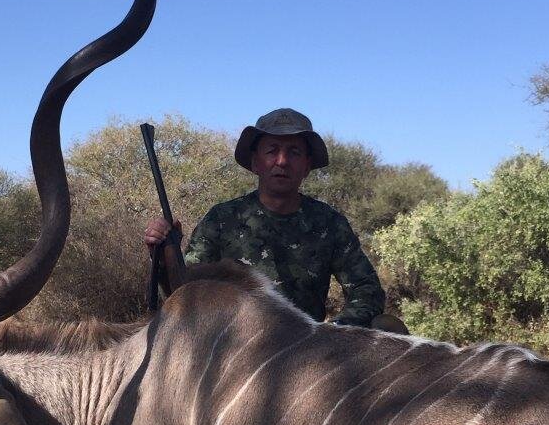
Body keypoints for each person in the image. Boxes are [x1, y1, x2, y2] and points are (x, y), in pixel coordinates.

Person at [145, 108, 403, 330]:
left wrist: (333, 332)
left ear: (307, 166)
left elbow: (366, 291)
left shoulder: (330, 223)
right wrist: (164, 256)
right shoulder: (221, 219)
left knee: (389, 327)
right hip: (234, 347)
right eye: (272, 151)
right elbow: (185, 292)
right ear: (256, 163)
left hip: (309, 349)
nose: (282, 161)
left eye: (293, 152)